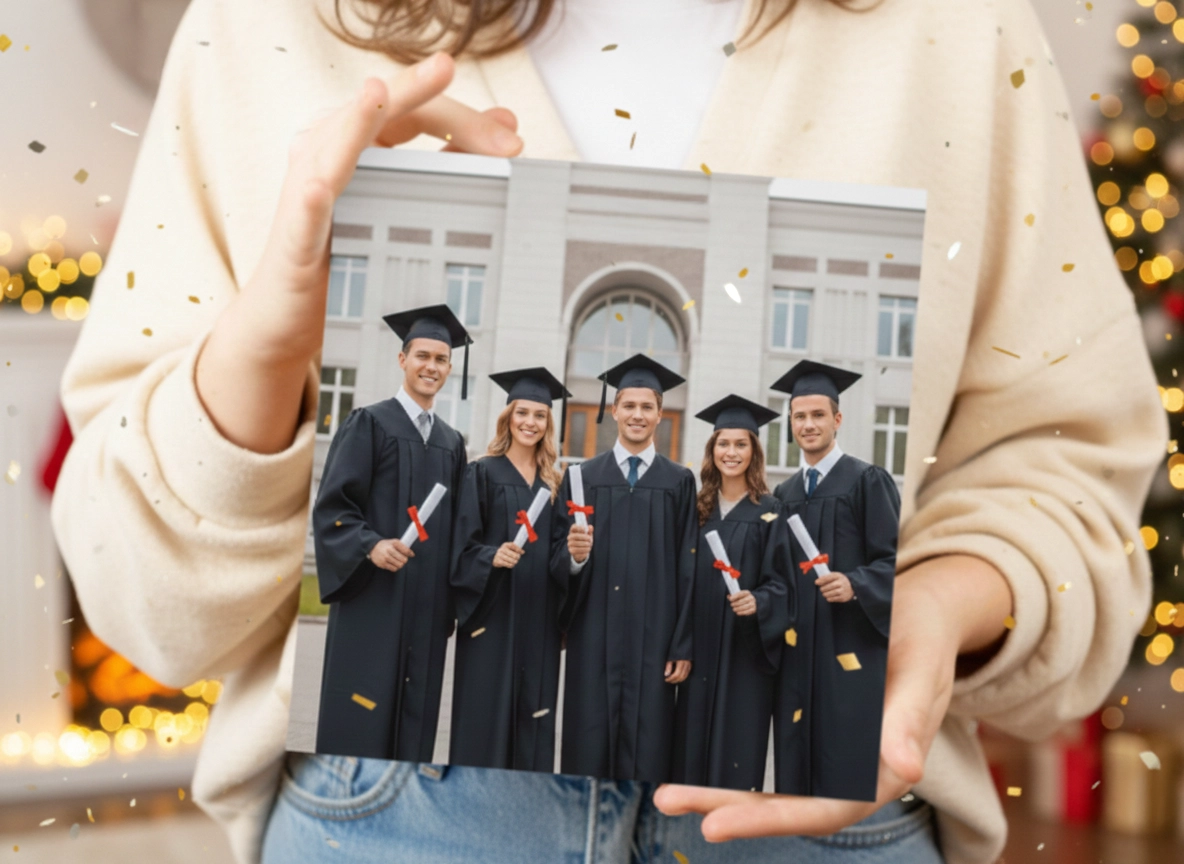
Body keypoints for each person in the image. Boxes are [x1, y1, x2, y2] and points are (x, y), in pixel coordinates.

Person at [49, 0, 1166, 862]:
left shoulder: (955, 27)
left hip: (814, 799)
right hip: (400, 803)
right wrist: (261, 353)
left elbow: (1064, 473)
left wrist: (933, 611)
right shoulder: (271, 23)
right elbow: (147, 602)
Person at [311, 304, 471, 760]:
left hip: (426, 608)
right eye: (423, 356)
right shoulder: (370, 423)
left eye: (441, 360)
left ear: (450, 368)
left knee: (414, 726)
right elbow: (334, 506)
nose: (431, 367)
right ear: (403, 359)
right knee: (361, 719)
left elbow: (459, 526)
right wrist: (371, 544)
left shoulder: (451, 441)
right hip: (374, 600)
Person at [550, 353, 698, 784]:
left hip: (655, 641)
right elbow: (557, 557)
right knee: (588, 743)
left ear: (659, 413)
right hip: (593, 634)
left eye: (646, 406)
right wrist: (574, 557)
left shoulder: (678, 482)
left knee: (649, 747)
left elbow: (689, 566)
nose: (637, 414)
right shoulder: (583, 478)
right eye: (628, 405)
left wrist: (682, 643)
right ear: (613, 410)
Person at [766, 360, 899, 801]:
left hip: (849, 650)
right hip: (798, 653)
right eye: (800, 416)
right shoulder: (783, 496)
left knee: (843, 765)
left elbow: (898, 561)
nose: (808, 424)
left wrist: (857, 584)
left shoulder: (866, 481)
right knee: (794, 767)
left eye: (818, 415)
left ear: (837, 419)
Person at [448, 367, 569, 772]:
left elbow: (558, 555)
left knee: (533, 721)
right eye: (522, 413)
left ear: (548, 423)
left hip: (539, 619)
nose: (530, 423)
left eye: (539, 416)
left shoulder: (556, 484)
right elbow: (461, 547)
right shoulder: (482, 472)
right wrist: (489, 557)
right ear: (508, 418)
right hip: (491, 617)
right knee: (483, 717)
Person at [671, 394, 793, 792]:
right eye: (723, 443)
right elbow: (680, 584)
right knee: (690, 750)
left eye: (741, 444)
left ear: (754, 452)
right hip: (701, 645)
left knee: (737, 753)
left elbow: (783, 584)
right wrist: (680, 645)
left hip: (745, 651)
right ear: (712, 450)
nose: (731, 452)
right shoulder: (697, 509)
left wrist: (759, 601)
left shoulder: (770, 511)